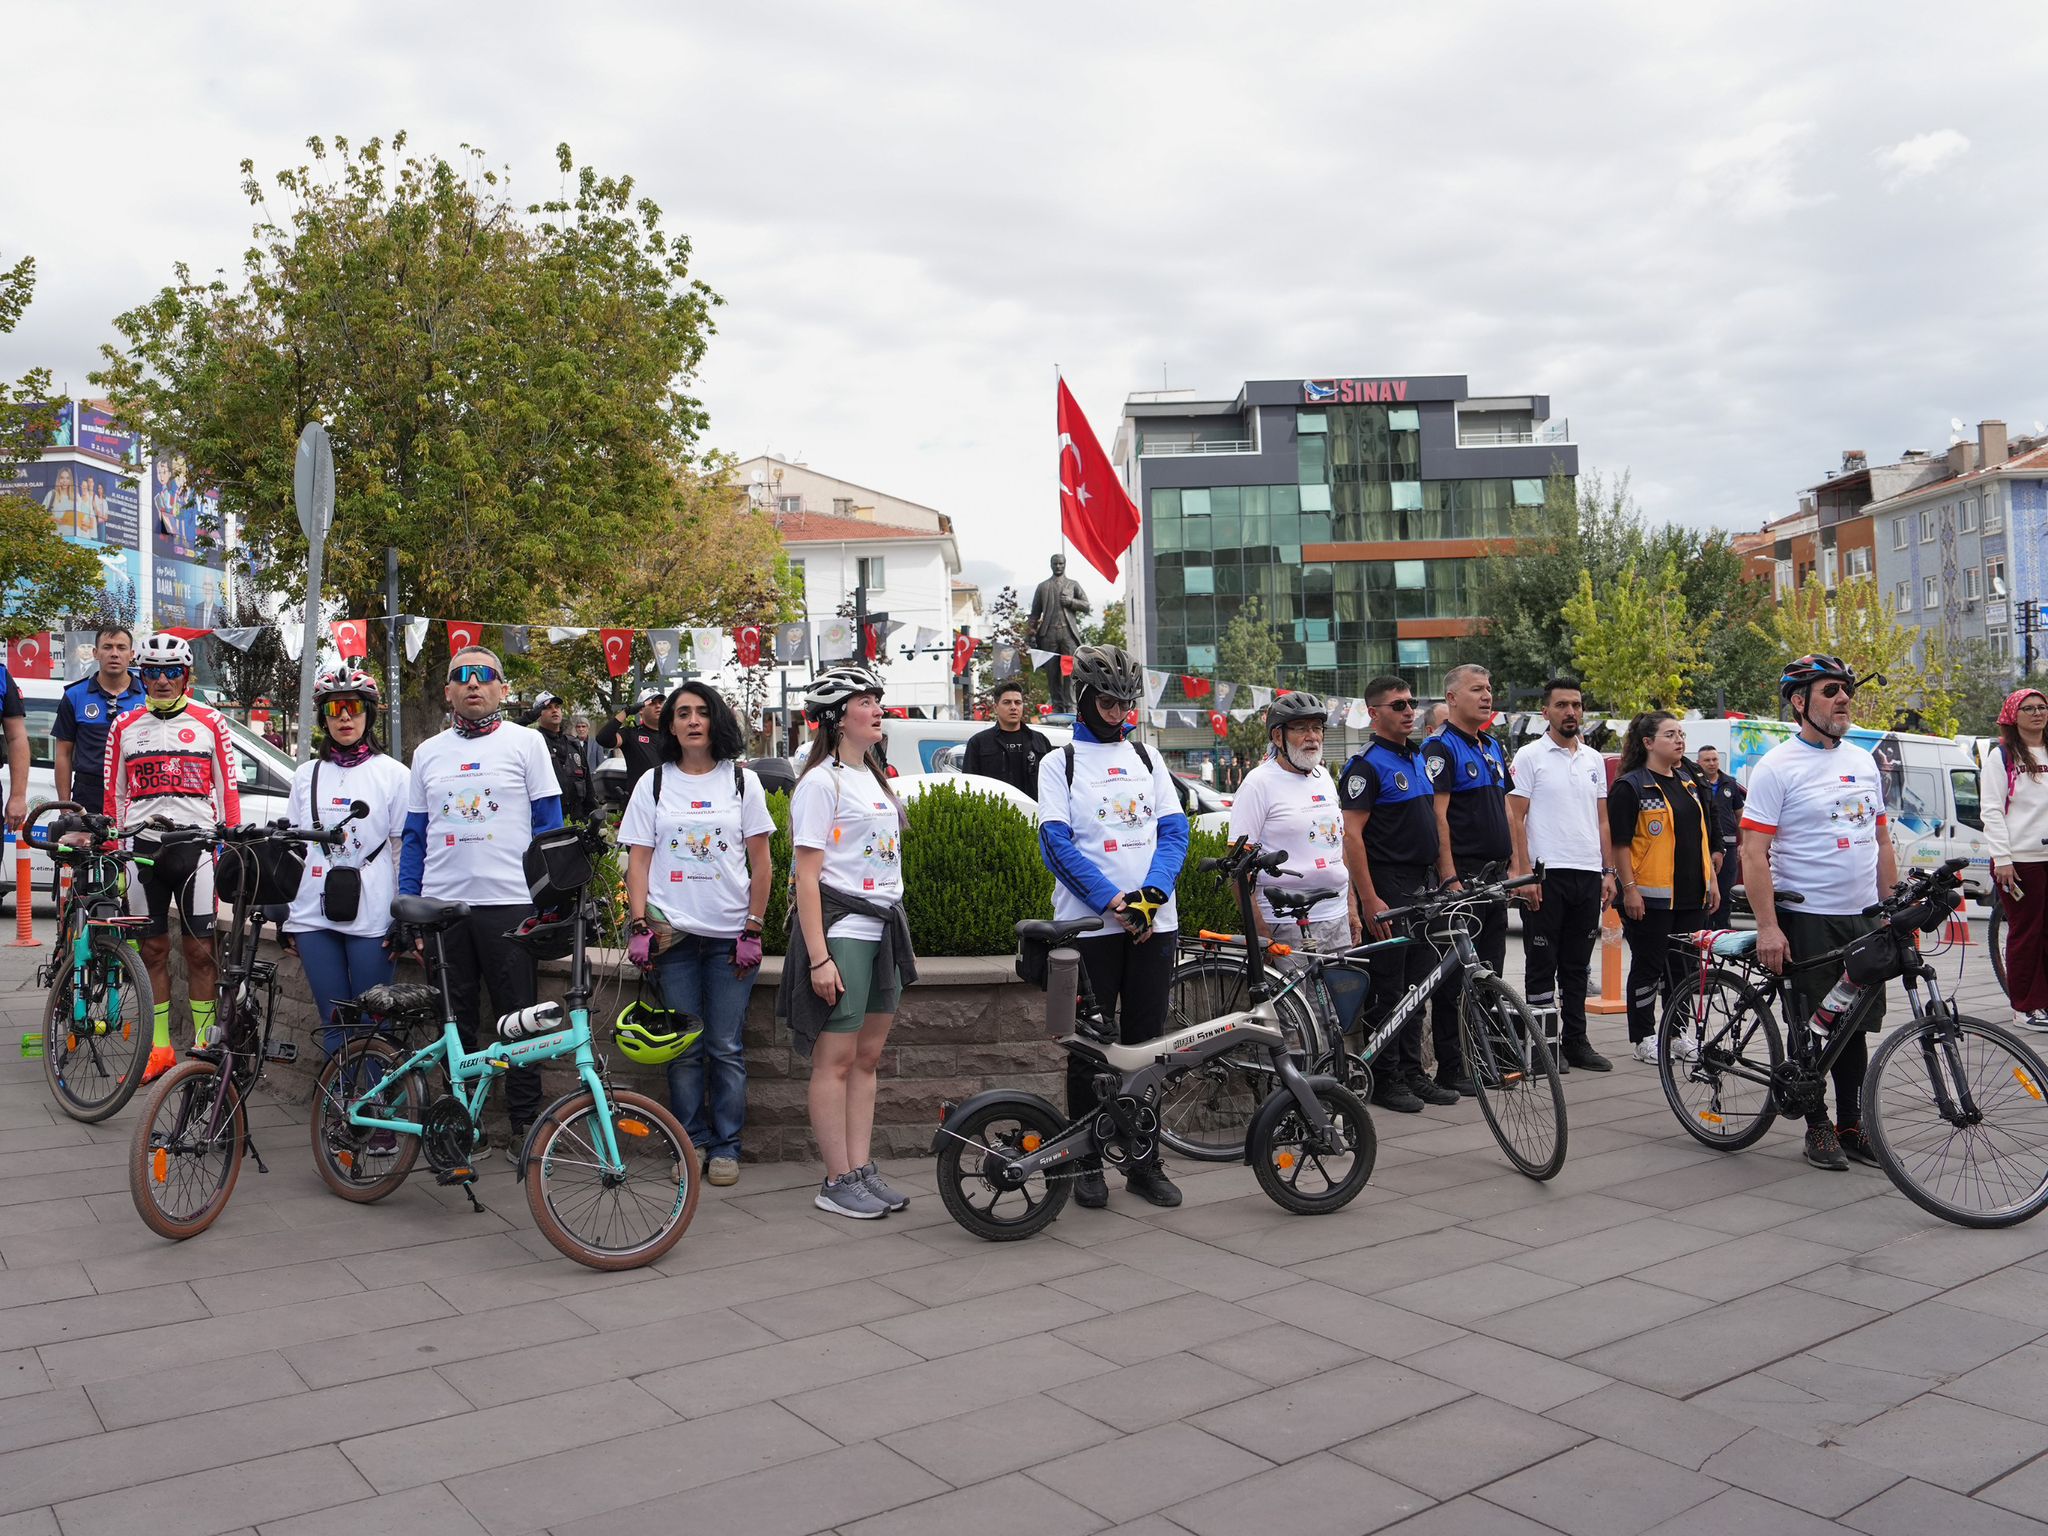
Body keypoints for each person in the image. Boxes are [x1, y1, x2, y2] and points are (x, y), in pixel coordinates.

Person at [1037, 644, 1190, 1208]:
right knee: (1089, 1051)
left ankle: (1145, 1162)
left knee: (1146, 1047)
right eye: (1107, 700)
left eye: (1126, 702)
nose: (1117, 710)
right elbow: (1055, 844)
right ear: (1084, 696)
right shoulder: (1060, 762)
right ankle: (1087, 1162)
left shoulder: (1149, 759)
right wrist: (1114, 903)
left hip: (1156, 924)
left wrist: (1149, 900)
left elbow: (1174, 834)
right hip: (1089, 929)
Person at [398, 647, 564, 1156]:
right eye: (460, 677)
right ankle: (461, 1125)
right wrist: (406, 905)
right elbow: (414, 836)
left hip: (512, 905)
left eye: (484, 675)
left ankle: (523, 1125)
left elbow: (549, 827)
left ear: (503, 688)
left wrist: (552, 903)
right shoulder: (427, 752)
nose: (473, 684)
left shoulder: (528, 742)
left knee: (520, 1020)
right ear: (447, 691)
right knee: (455, 1021)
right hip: (444, 911)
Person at [1741, 656, 1896, 1170]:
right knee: (1812, 1026)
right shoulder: (1776, 767)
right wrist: (1768, 926)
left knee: (1854, 1026)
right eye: (1832, 691)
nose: (1844, 698)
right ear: (1800, 702)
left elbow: (1880, 837)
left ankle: (1852, 1124)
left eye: (1847, 690)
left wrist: (1890, 907)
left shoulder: (1863, 758)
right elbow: (1752, 853)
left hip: (1862, 916)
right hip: (1807, 917)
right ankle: (1817, 1125)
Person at [778, 665, 917, 1220]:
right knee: (834, 1060)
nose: (877, 708)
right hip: (843, 932)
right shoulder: (819, 782)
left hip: (884, 925)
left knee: (868, 1058)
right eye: (865, 701)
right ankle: (835, 1179)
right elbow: (806, 877)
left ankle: (860, 1169)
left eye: (877, 699)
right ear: (837, 718)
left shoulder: (874, 778)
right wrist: (819, 958)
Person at [622, 682, 774, 1187]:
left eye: (701, 712)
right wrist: (639, 922)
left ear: (716, 722)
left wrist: (754, 925)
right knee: (684, 1047)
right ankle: (692, 1141)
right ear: (668, 725)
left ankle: (727, 1146)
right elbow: (638, 861)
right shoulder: (654, 784)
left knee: (725, 1046)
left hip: (731, 934)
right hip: (675, 937)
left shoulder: (741, 783)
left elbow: (761, 861)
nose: (691, 721)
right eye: (681, 713)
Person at [105, 633, 239, 1079]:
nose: (162, 680)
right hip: (141, 852)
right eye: (152, 672)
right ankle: (159, 1048)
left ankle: (203, 1048)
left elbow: (229, 790)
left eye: (172, 672)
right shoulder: (123, 725)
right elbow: (114, 795)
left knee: (201, 952)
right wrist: (113, 849)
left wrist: (232, 843)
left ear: (187, 676)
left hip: (196, 847)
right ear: (140, 676)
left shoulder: (211, 722)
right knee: (153, 950)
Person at [1340, 676, 1456, 1112]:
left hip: (1423, 886)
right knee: (1388, 988)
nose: (1409, 711)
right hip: (1389, 886)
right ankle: (1385, 1078)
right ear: (1373, 713)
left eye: (1411, 703)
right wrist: (1369, 899)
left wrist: (1445, 880)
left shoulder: (1418, 758)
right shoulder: (1365, 766)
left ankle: (1411, 1072)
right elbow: (1352, 838)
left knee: (1418, 986)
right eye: (1397, 705)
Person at [283, 669, 410, 1055]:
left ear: (368, 715)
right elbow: (294, 847)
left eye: (353, 708)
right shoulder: (307, 774)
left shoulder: (394, 775)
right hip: (312, 911)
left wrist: (404, 914)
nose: (344, 718)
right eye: (335, 709)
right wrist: (282, 911)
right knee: (334, 1018)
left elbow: (403, 848)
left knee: (373, 1020)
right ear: (323, 717)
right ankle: (340, 1109)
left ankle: (374, 1107)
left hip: (373, 912)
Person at [1507, 678, 1615, 1073]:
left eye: (1577, 704)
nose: (1571, 712)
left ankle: (1577, 1042)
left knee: (1577, 967)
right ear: (1546, 713)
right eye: (1562, 705)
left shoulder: (1593, 761)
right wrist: (1524, 873)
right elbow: (1514, 816)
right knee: (1541, 963)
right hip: (1546, 873)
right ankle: (1543, 1050)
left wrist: (1608, 871)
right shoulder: (1530, 756)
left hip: (1587, 873)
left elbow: (1603, 821)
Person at [1423, 663, 1511, 1097]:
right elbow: (1438, 817)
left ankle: (1483, 1059)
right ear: (1453, 698)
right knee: (1455, 981)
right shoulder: (1441, 748)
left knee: (1489, 974)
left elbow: (1507, 810)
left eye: (1489, 688)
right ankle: (1452, 1067)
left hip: (1495, 879)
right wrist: (1449, 875)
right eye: (1477, 689)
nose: (1487, 695)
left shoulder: (1491, 745)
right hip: (1463, 879)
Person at [1610, 712, 1714, 1067]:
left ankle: (1676, 1033)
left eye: (1681, 734)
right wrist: (1630, 889)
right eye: (1670, 734)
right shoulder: (1632, 786)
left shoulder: (1688, 781)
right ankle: (1643, 1036)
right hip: (1651, 899)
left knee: (1684, 970)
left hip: (1691, 896)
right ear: (1648, 743)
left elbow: (1701, 836)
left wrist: (1711, 883)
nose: (1679, 740)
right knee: (1648, 967)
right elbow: (1621, 845)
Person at [1233, 692, 1357, 955]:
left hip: (1336, 916)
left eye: (1317, 728)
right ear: (1278, 737)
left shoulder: (1323, 776)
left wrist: (1351, 907)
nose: (1312, 736)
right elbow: (1237, 867)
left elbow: (1337, 845)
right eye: (1301, 728)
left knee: (1342, 995)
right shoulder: (1258, 784)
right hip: (1287, 921)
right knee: (1302, 998)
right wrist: (1260, 933)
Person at [1984, 687, 2048, 1031]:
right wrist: (2002, 858)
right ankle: (2024, 1006)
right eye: (2029, 708)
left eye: (2042, 707)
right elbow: (1991, 810)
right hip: (2020, 861)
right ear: (2014, 715)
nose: (2037, 713)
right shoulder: (2003, 756)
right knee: (2026, 934)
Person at [52, 628, 142, 812]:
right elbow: (63, 754)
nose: (114, 654)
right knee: (88, 841)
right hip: (88, 793)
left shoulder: (148, 695)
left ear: (132, 654)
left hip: (138, 791)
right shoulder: (74, 695)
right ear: (95, 653)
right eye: (107, 647)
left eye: (121, 648)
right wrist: (65, 807)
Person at [963, 679, 1054, 796]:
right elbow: (969, 785)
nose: (1013, 707)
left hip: (1034, 811)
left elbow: (1052, 782)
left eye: (1018, 702)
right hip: (996, 811)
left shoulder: (1040, 740)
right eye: (1007, 702)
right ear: (996, 708)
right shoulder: (979, 743)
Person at [1695, 745, 1745, 928]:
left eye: (1715, 759)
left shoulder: (1729, 783)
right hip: (1703, 848)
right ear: (1698, 763)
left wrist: (1743, 843)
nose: (1712, 763)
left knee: (1725, 893)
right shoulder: (1694, 783)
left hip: (1729, 849)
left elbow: (1740, 815)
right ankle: (1703, 933)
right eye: (1707, 760)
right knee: (1704, 893)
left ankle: (1722, 932)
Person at [526, 692, 596, 823]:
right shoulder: (532, 742)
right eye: (547, 707)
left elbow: (588, 784)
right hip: (546, 823)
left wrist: (592, 817)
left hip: (577, 821)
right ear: (537, 714)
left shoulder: (573, 743)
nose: (554, 710)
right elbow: (507, 736)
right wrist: (528, 717)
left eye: (557, 707)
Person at [597, 692, 665, 800]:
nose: (658, 706)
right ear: (641, 709)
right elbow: (603, 738)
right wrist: (627, 712)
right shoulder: (631, 734)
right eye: (652, 703)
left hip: (668, 801)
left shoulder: (674, 735)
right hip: (641, 801)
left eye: (661, 703)